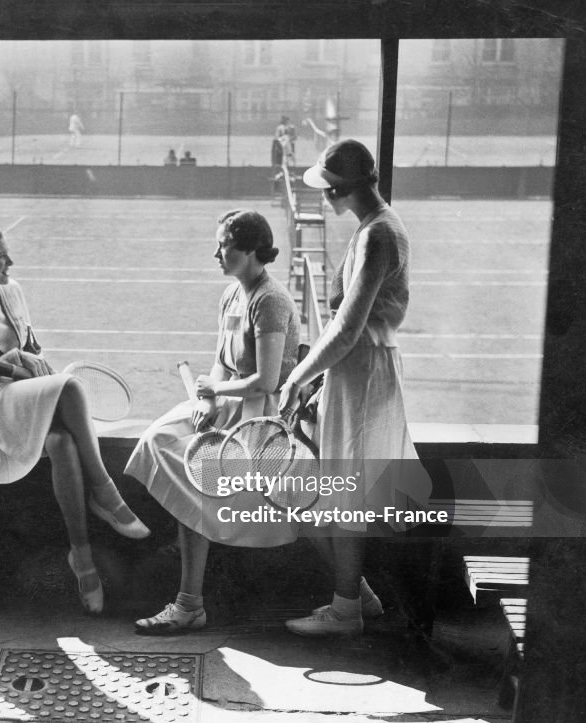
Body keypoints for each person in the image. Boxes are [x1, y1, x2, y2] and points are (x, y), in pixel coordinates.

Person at [0, 225, 150, 615]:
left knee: (63, 443)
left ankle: (82, 561)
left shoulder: (11, 290)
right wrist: (16, 363)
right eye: (0, 257)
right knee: (68, 387)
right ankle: (105, 490)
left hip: (22, 390)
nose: (9, 262)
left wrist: (31, 359)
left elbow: (30, 345)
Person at [277, 139, 431, 637]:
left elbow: (346, 328)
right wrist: (322, 385)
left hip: (365, 371)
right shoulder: (376, 229)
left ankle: (347, 611)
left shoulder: (377, 235)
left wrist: (300, 377)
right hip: (359, 372)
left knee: (346, 494)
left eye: (329, 188)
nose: (324, 197)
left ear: (342, 189)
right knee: (344, 490)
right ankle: (355, 597)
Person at [127, 209, 301, 634]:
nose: (216, 253)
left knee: (197, 474)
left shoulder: (270, 299)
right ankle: (189, 602)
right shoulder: (232, 294)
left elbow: (266, 381)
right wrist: (207, 397)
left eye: (223, 245)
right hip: (226, 406)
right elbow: (222, 364)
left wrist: (215, 393)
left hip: (261, 419)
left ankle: (189, 604)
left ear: (248, 250)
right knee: (157, 438)